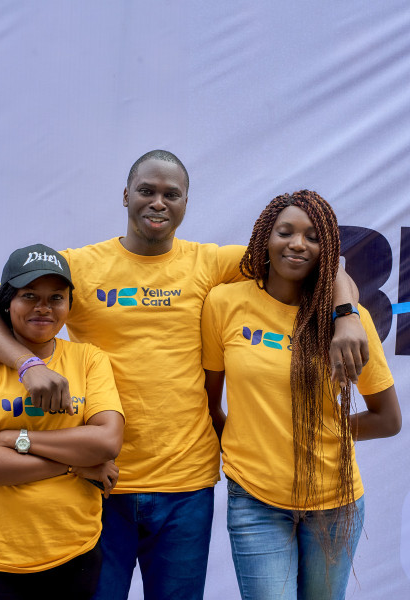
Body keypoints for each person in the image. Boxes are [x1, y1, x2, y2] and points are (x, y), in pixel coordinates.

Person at [0, 152, 369, 600]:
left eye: (171, 194)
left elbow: (329, 265)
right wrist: (28, 363)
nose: (158, 202)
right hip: (97, 477)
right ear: (126, 195)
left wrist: (346, 317)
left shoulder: (211, 263)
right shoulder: (81, 266)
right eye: (147, 190)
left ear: (186, 203)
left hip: (185, 486)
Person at [201, 190, 401, 600]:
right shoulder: (226, 303)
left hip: (336, 502)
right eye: (286, 232)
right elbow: (209, 400)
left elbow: (387, 418)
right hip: (255, 500)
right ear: (265, 238)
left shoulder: (351, 320)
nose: (297, 243)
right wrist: (246, 441)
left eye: (313, 236)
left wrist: (311, 428)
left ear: (326, 250)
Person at [0, 244, 125, 600]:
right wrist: (76, 465)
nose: (43, 308)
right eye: (30, 296)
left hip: (73, 554)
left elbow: (107, 443)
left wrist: (14, 438)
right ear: (7, 302)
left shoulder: (88, 359)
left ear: (69, 305)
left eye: (56, 297)